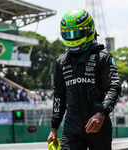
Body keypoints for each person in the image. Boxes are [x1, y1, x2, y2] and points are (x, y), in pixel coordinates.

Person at [47, 9, 121, 150]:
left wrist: (102, 113)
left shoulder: (103, 57)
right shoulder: (61, 62)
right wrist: (54, 127)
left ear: (89, 31)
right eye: (68, 34)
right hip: (72, 125)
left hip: (98, 124)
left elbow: (114, 87)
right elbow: (59, 96)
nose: (72, 37)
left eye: (76, 33)